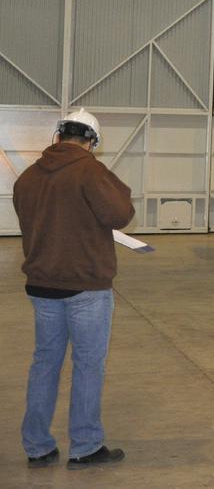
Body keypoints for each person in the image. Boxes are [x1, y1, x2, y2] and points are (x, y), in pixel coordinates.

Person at [13, 109, 134, 470]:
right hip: (85, 286)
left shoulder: (29, 177)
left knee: (44, 363)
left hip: (42, 285)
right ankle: (85, 446)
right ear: (91, 142)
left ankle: (37, 446)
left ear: (58, 135)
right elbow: (120, 214)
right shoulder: (90, 171)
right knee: (87, 366)